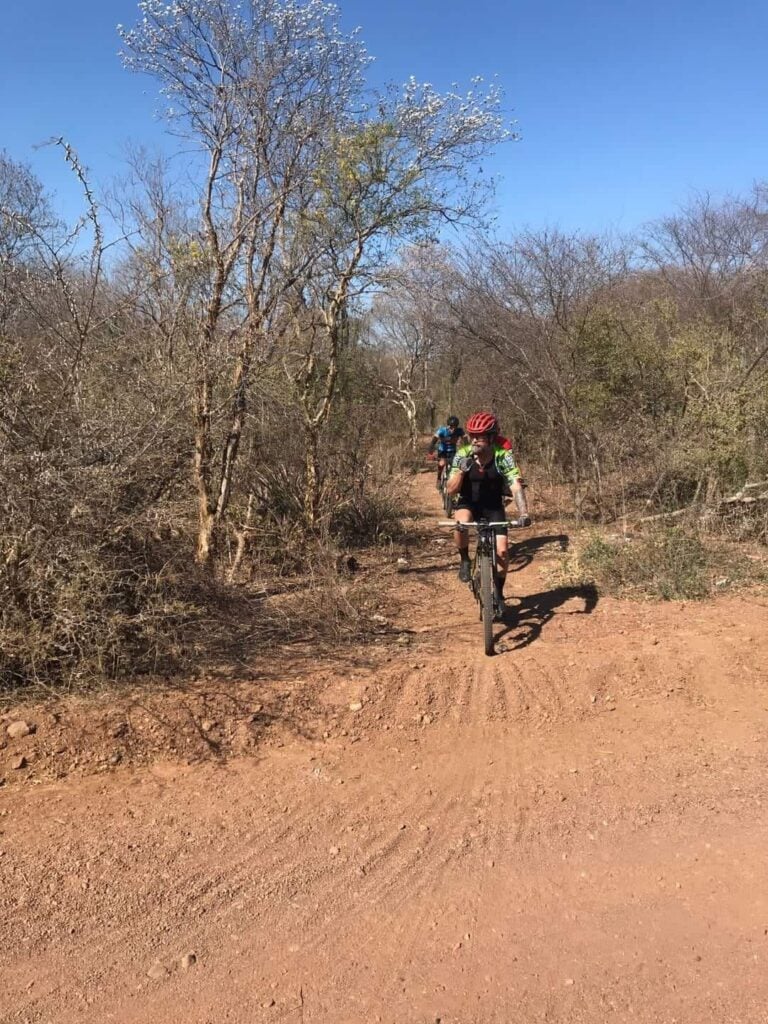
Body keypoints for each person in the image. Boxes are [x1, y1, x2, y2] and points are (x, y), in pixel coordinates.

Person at [446, 411, 531, 618]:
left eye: (481, 436)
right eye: (473, 435)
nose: (475, 440)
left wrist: (524, 512)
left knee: (502, 552)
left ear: (492, 437)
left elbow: (515, 485)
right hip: (468, 502)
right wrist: (461, 471)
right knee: (461, 523)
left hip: (493, 506)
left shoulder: (502, 455)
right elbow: (450, 489)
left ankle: (499, 594)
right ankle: (465, 559)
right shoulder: (463, 454)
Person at [427, 415, 465, 489]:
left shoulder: (459, 431)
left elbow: (465, 440)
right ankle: (438, 478)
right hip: (442, 451)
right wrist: (430, 451)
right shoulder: (442, 430)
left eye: (455, 427)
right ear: (448, 425)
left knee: (455, 466)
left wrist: (468, 450)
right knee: (442, 464)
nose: (453, 429)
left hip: (452, 451)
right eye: (451, 426)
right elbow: (434, 440)